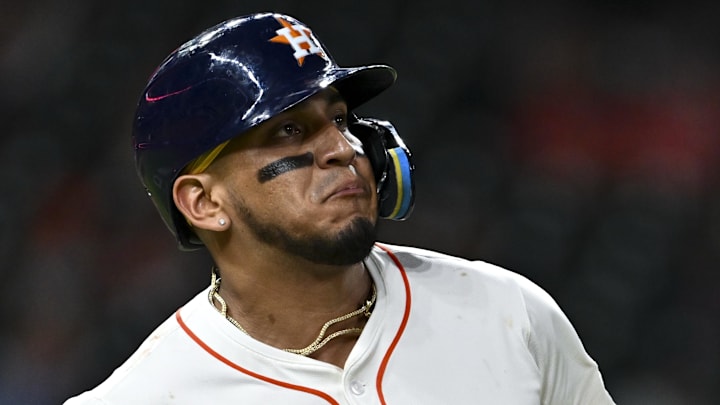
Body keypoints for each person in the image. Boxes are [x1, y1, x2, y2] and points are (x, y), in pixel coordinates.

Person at [65, 12, 615, 404]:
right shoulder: (143, 395)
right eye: (288, 130)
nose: (343, 148)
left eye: (342, 119)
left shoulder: (509, 314)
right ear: (204, 202)